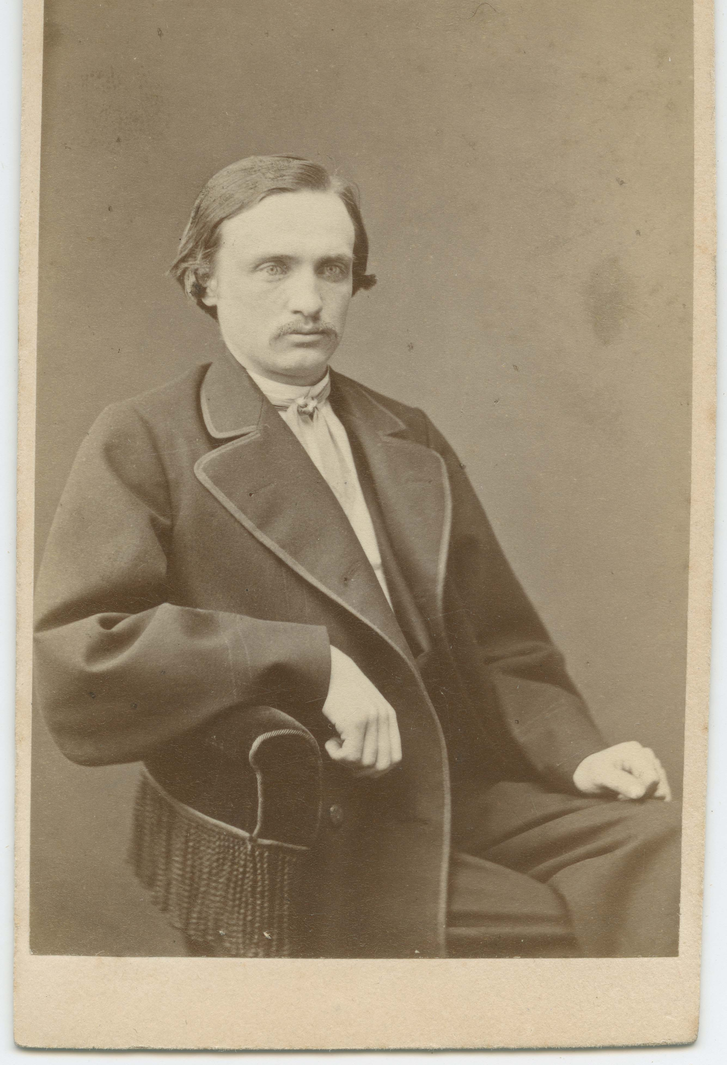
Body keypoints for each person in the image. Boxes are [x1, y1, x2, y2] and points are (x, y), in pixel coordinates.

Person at [34, 155, 680, 959]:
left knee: (675, 860)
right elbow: (82, 655)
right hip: (321, 821)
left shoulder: (406, 433)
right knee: (543, 938)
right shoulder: (145, 436)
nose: (308, 300)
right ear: (205, 281)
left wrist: (580, 753)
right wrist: (313, 666)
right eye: (273, 267)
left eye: (331, 269)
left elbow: (502, 643)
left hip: (460, 786)